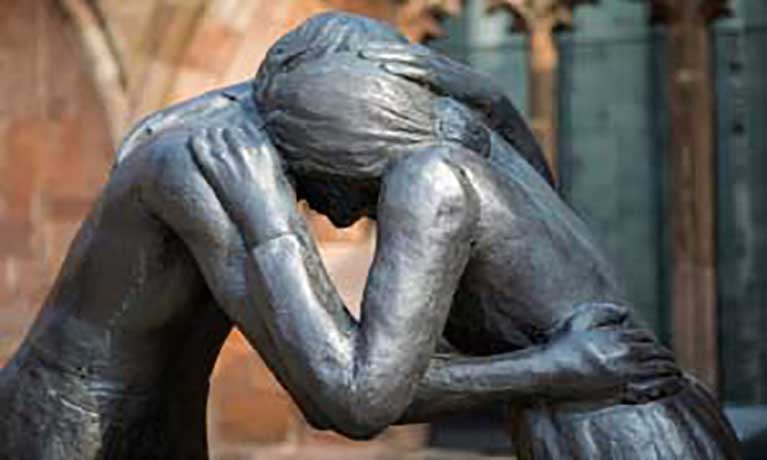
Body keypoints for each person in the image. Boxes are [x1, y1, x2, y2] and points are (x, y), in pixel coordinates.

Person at [0, 12, 654, 459]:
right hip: (69, 428)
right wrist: (557, 369)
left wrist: (487, 99)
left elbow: (527, 218)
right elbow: (343, 394)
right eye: (358, 194)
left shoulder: (282, 111)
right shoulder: (208, 162)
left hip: (158, 412)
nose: (344, 220)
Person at [189, 14, 741, 459]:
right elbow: (514, 139)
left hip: (614, 440)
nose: (332, 220)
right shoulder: (483, 147)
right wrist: (479, 91)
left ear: (337, 144)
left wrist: (266, 222)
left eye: (307, 185)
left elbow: (358, 400)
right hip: (664, 424)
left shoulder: (429, 181)